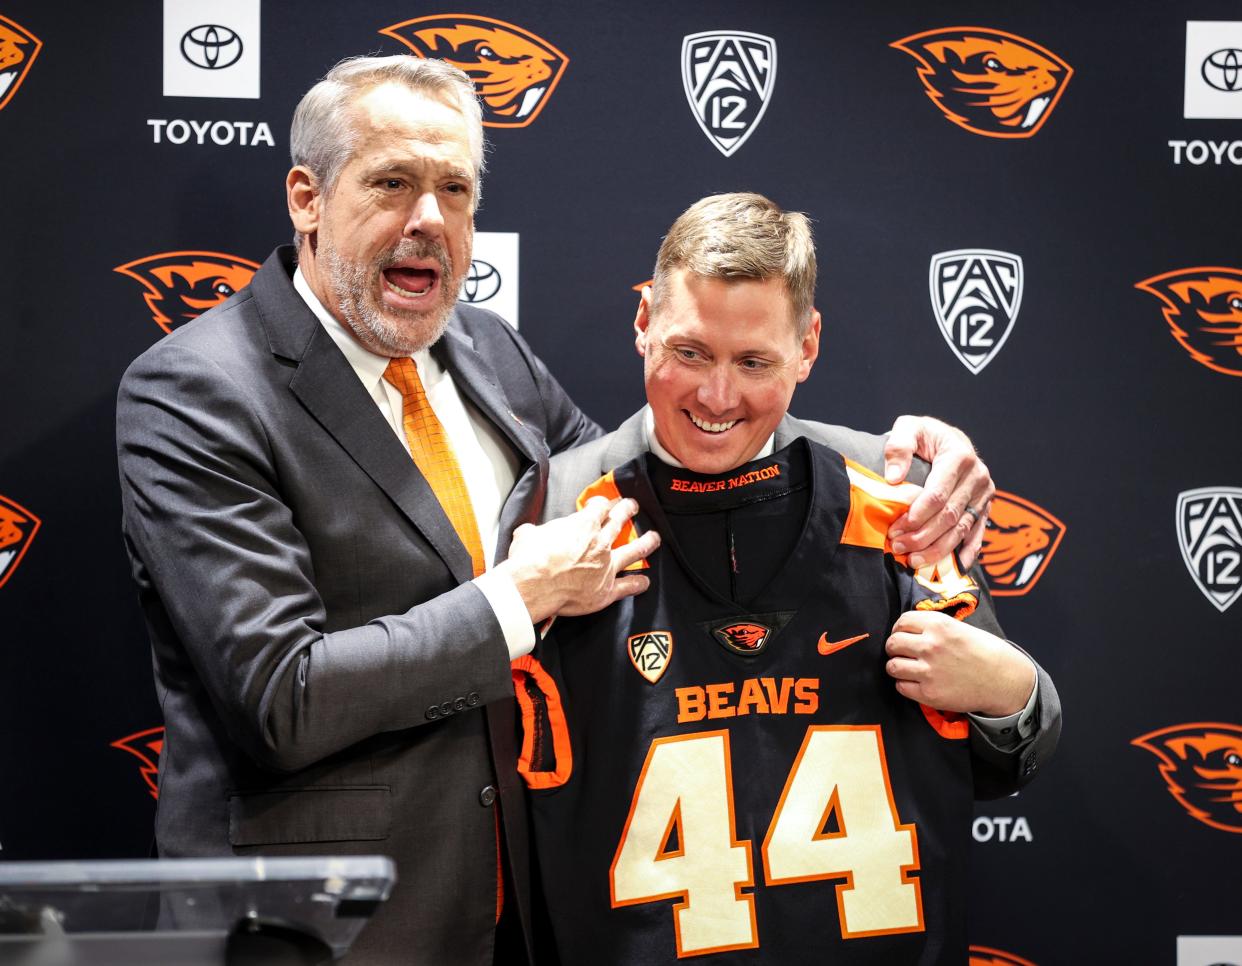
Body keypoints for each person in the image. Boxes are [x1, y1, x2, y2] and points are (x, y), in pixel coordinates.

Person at [115, 56, 999, 966]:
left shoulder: (485, 352)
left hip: (520, 913)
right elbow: (280, 698)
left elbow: (672, 464)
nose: (428, 219)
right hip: (320, 926)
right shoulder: (198, 391)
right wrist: (518, 598)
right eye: (392, 183)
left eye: (454, 188)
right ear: (306, 197)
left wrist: (904, 454)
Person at [518, 192, 1061, 963]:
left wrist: (1011, 689)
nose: (717, 396)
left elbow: (1013, 756)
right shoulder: (554, 510)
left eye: (754, 362)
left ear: (807, 346)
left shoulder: (893, 499)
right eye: (690, 353)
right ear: (643, 324)